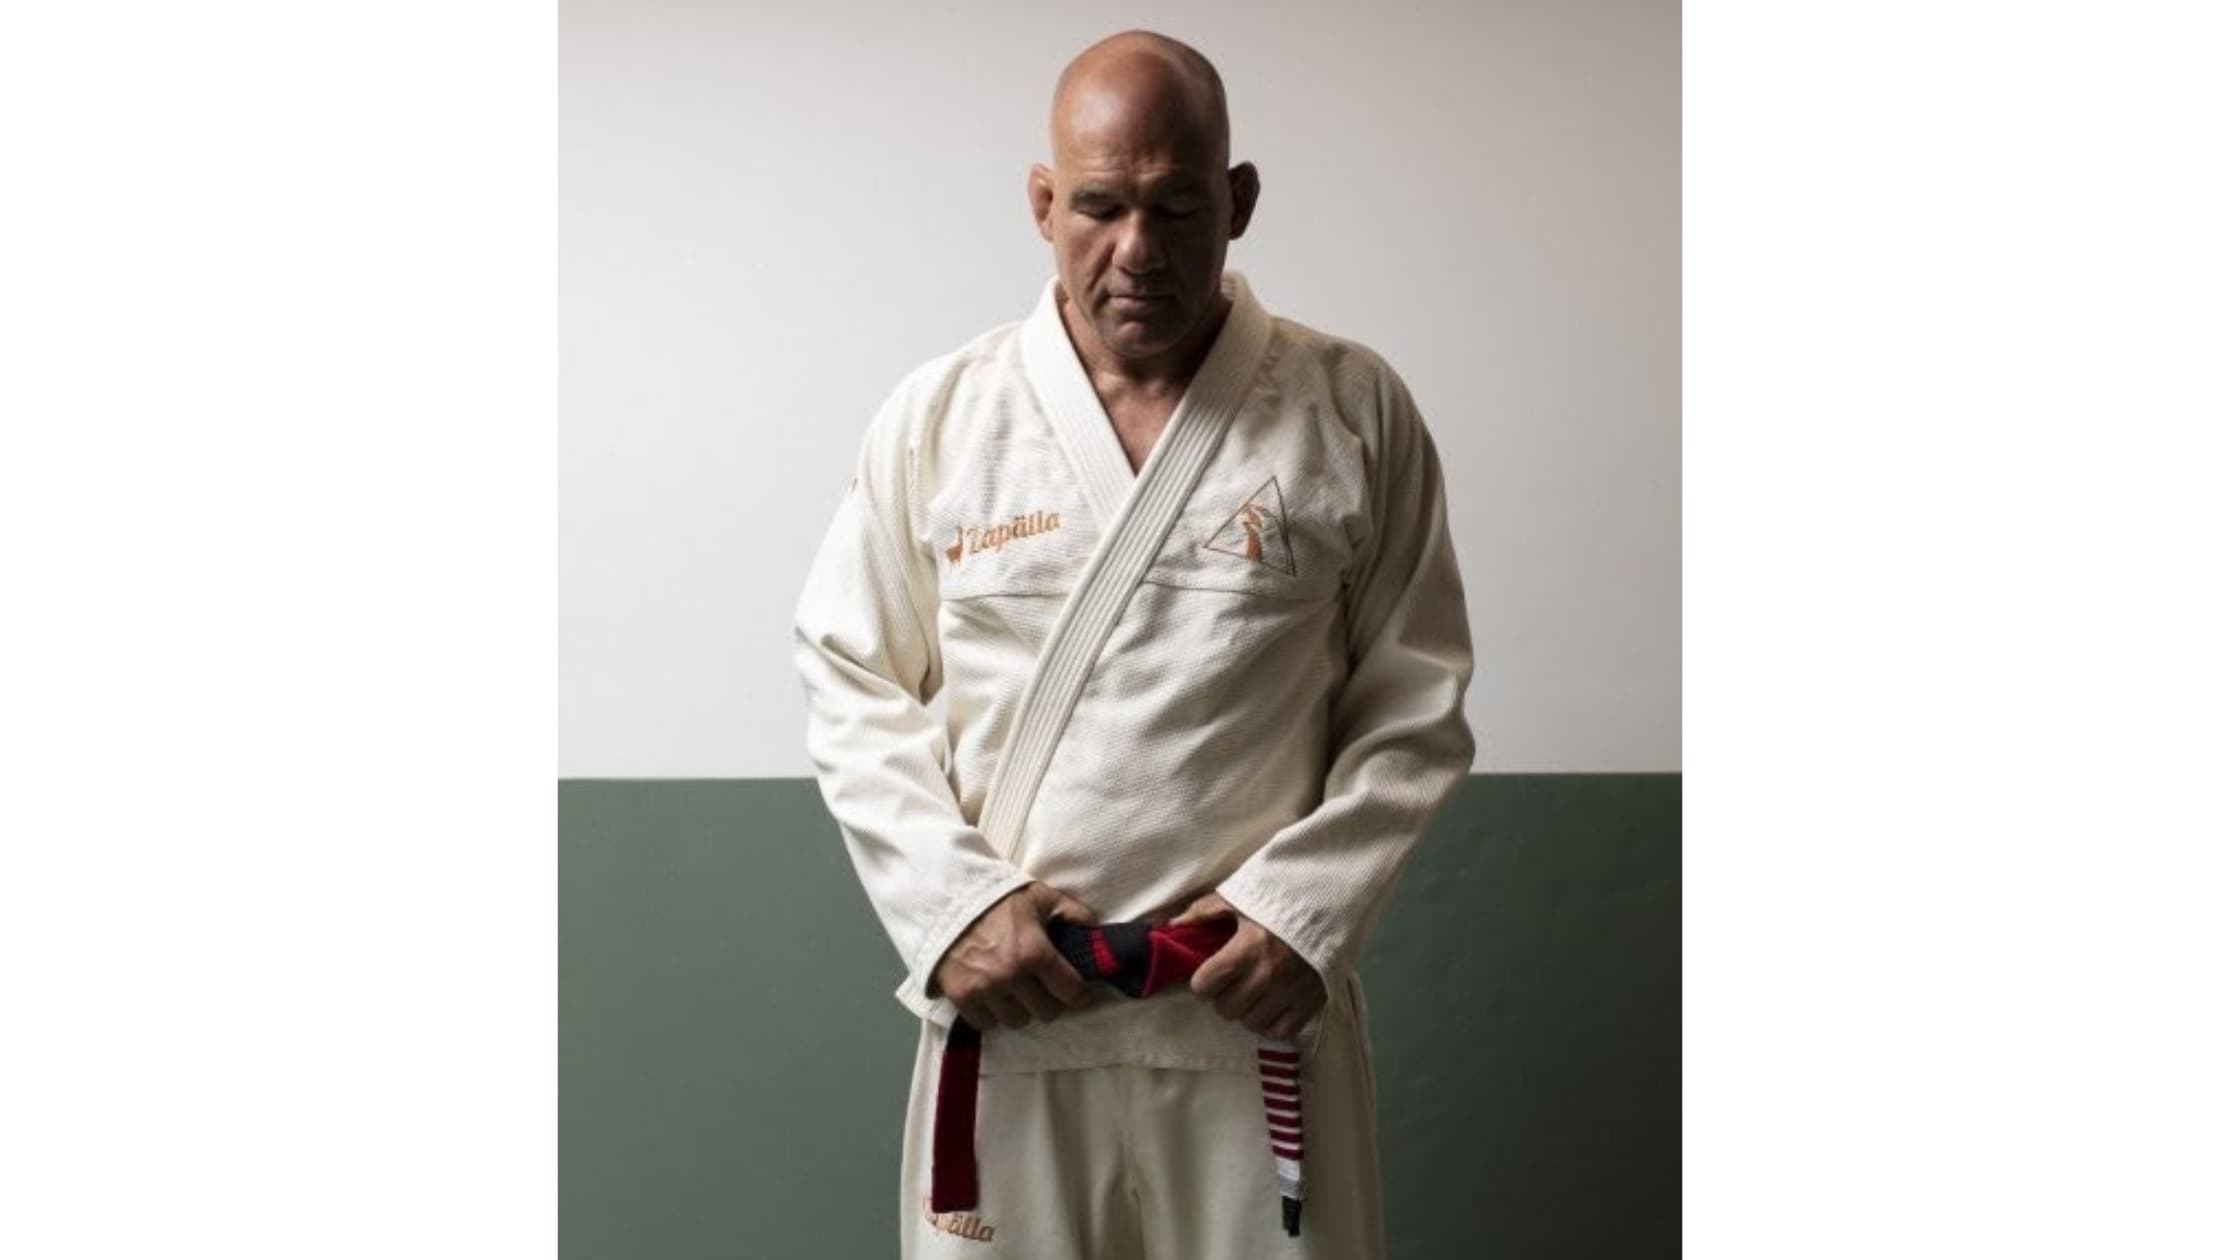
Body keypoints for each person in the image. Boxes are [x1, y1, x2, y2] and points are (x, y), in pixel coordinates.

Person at [792, 28, 1474, 1259]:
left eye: (1178, 206)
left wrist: (1302, 914)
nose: (1138, 249)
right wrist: (954, 910)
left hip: (1251, 1015)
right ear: (1042, 205)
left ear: (1239, 201)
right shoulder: (945, 419)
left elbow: (1412, 701)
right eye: (1100, 207)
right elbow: (850, 678)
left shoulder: (1347, 410)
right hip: (1011, 1011)